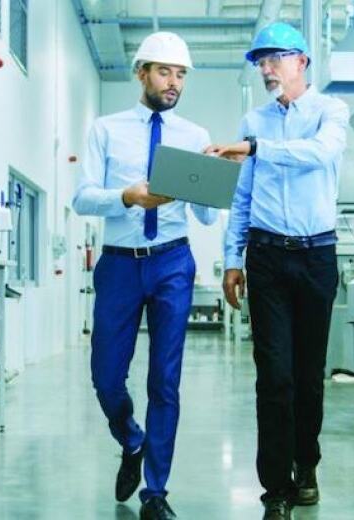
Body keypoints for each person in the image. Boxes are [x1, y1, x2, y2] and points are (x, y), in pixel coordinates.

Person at [207, 21, 350, 520]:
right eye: (260, 61)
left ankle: (306, 464)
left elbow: (321, 154)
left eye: (274, 59)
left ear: (301, 62)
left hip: (317, 257)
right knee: (274, 377)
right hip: (266, 259)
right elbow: (242, 199)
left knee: (309, 376)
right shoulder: (255, 119)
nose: (266, 69)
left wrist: (257, 149)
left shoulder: (331, 112)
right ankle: (276, 490)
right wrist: (231, 259)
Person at [72, 31, 217, 520]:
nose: (173, 82)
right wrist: (127, 196)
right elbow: (81, 197)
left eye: (180, 74)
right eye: (164, 71)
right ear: (141, 73)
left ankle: (155, 491)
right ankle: (130, 439)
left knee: (165, 380)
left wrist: (210, 181)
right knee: (106, 376)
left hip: (173, 261)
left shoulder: (194, 137)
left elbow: (207, 218)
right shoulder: (106, 129)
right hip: (118, 262)